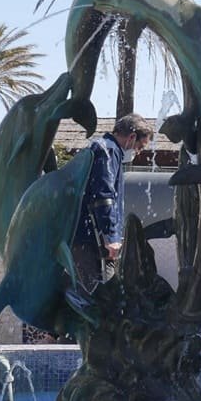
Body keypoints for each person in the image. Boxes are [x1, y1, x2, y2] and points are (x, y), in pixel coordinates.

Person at [72, 113, 154, 291]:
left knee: (90, 290)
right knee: (101, 293)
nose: (138, 152)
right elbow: (104, 196)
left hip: (83, 236)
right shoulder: (109, 150)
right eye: (140, 146)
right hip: (91, 239)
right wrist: (110, 237)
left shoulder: (100, 147)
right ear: (132, 137)